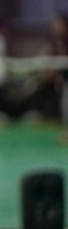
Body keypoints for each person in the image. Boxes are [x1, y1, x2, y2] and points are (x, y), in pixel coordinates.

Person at [52, 12, 68, 141]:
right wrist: (59, 76)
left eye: (59, 24)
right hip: (66, 79)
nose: (56, 26)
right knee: (65, 105)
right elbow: (59, 61)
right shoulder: (59, 41)